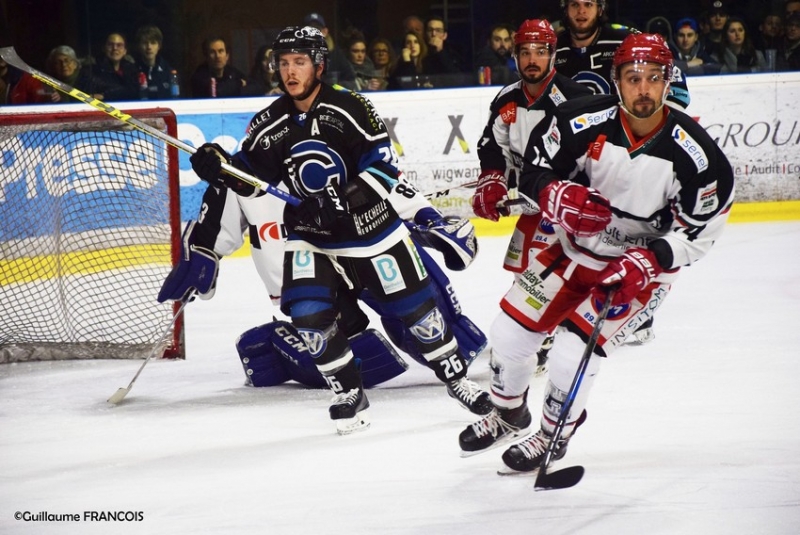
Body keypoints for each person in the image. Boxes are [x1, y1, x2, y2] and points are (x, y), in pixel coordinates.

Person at [185, 25, 491, 435]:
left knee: (419, 316)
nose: (290, 71)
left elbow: (384, 168)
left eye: (299, 62)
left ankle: (458, 381)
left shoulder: (351, 107)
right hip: (312, 237)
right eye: (284, 63)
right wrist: (219, 166)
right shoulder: (267, 123)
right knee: (310, 318)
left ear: (319, 65)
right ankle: (349, 392)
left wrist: (341, 199)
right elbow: (252, 178)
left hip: (373, 233)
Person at [458, 33, 734, 474]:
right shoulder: (579, 121)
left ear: (668, 82)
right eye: (632, 77)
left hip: (637, 271)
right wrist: (554, 194)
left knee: (570, 353)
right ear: (616, 81)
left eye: (653, 78)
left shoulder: (697, 155)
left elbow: (700, 230)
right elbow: (534, 170)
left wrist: (652, 259)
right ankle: (509, 412)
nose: (643, 88)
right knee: (508, 336)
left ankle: (553, 435)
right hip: (573, 249)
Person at [472, 19, 592, 376]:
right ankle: (532, 331)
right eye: (525, 52)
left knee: (555, 268)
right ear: (515, 55)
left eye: (540, 52)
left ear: (553, 55)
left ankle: (550, 331)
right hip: (531, 201)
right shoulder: (507, 99)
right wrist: (493, 178)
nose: (532, 59)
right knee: (523, 269)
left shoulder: (574, 99)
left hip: (567, 202)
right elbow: (492, 145)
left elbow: (594, 154)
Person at [554, 0, 690, 113]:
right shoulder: (552, 48)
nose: (581, 11)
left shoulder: (626, 41)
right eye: (575, 5)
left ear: (600, 9)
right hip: (571, 135)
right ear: (566, 9)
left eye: (588, 4)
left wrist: (655, 126)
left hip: (619, 137)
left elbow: (678, 87)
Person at [303, 12, 357, 89]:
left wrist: (333, 87)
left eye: (317, 29)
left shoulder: (336, 55)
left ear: (325, 32)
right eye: (309, 29)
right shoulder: (294, 54)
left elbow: (351, 81)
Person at [82, 32, 139, 101]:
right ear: (104, 48)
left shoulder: (131, 69)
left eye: (119, 45)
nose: (115, 48)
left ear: (125, 51)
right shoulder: (93, 69)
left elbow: (134, 91)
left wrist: (105, 95)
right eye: (110, 45)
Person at [134, 25, 176, 100]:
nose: (149, 47)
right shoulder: (132, 71)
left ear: (159, 46)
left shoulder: (169, 72)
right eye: (145, 43)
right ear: (139, 46)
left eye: (153, 43)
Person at [422, 16, 464, 81]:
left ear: (444, 35)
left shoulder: (453, 53)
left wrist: (440, 51)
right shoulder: (420, 53)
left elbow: (458, 78)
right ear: (424, 34)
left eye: (438, 30)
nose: (434, 34)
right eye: (430, 30)